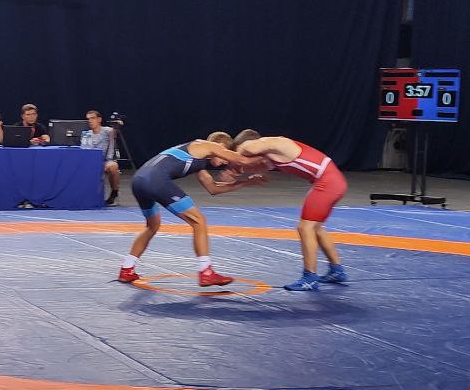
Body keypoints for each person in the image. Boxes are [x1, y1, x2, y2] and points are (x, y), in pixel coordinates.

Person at [119, 133, 266, 287]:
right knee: (199, 221)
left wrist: (246, 183)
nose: (225, 161)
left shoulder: (198, 158)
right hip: (156, 181)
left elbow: (213, 188)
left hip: (139, 181)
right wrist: (269, 156)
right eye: (225, 155)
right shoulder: (207, 145)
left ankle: (127, 268)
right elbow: (242, 160)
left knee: (152, 225)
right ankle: (206, 272)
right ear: (221, 146)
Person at [234, 130, 349, 291]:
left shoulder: (272, 142)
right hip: (331, 181)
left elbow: (248, 149)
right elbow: (254, 164)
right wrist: (235, 171)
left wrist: (230, 153)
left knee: (305, 228)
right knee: (315, 228)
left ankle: (309, 277)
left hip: (327, 183)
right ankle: (337, 270)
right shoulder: (272, 151)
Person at [82, 110, 120, 206]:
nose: (90, 121)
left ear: (99, 119)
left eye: (93, 118)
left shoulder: (108, 131)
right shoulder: (86, 134)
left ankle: (114, 193)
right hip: (90, 162)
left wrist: (117, 124)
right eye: (88, 119)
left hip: (104, 162)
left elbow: (115, 131)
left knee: (113, 166)